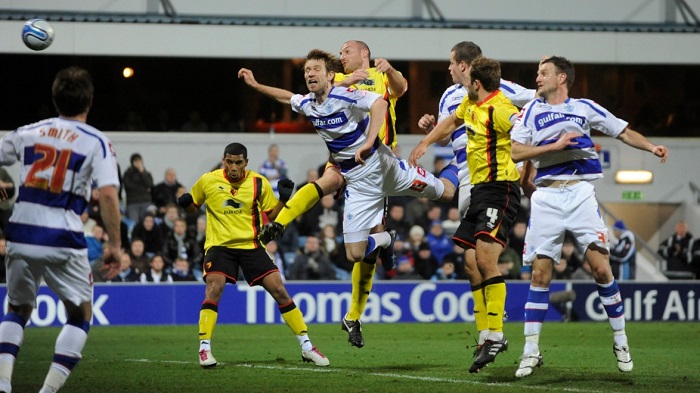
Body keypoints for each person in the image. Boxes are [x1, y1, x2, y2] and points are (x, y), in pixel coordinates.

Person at [238, 49, 455, 349]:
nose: (310, 74)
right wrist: (256, 85)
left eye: (316, 69)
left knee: (446, 193)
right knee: (355, 253)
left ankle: (458, 164)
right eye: (306, 71)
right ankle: (384, 242)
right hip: (354, 178)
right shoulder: (320, 95)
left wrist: (368, 142)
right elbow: (286, 97)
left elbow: (384, 99)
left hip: (383, 165)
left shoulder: (356, 88)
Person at [510, 56, 668, 378]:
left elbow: (623, 131)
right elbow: (515, 151)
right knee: (540, 276)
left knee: (600, 269)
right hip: (547, 197)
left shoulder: (584, 108)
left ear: (562, 77)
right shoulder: (530, 110)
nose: (537, 78)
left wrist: (651, 147)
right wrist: (553, 145)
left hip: (580, 194)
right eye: (538, 73)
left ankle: (621, 341)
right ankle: (530, 351)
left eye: (543, 73)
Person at [0, 66, 122, 393]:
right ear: (90, 100)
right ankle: (47, 391)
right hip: (63, 237)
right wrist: (115, 245)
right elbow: (109, 194)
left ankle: (2, 383)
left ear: (55, 99)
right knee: (80, 313)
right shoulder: (96, 142)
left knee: (17, 308)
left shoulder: (29, 131)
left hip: (21, 233)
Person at [415, 41, 535, 363]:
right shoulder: (453, 98)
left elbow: (534, 105)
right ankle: (485, 336)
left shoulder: (501, 93)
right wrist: (430, 133)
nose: (449, 69)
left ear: (466, 66)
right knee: (470, 263)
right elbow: (447, 131)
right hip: (471, 180)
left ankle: (496, 332)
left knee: (485, 256)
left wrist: (531, 156)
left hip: (496, 178)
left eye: (452, 63)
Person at [255, 40, 408, 277]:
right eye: (340, 53)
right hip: (342, 157)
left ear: (364, 53)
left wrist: (389, 70)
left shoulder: (383, 74)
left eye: (347, 51)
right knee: (322, 183)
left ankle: (383, 244)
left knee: (368, 241)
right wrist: (345, 81)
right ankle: (279, 223)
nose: (342, 56)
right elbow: (303, 97)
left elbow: (400, 89)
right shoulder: (334, 80)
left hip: (375, 161)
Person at [177, 142, 329, 368]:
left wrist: (283, 200)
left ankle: (307, 346)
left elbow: (272, 215)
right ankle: (204, 349)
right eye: (229, 162)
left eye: (238, 162)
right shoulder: (208, 180)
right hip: (220, 245)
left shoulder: (259, 182)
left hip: (252, 245)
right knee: (214, 287)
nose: (234, 167)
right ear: (224, 160)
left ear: (246, 163)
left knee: (279, 289)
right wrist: (186, 205)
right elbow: (193, 206)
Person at [122, 153, 154, 223]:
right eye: (136, 161)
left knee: (146, 223)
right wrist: (144, 189)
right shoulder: (127, 174)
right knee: (134, 224)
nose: (138, 163)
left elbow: (150, 184)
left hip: (145, 202)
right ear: (132, 162)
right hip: (133, 203)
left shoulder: (146, 173)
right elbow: (128, 186)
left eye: (139, 161)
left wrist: (142, 173)